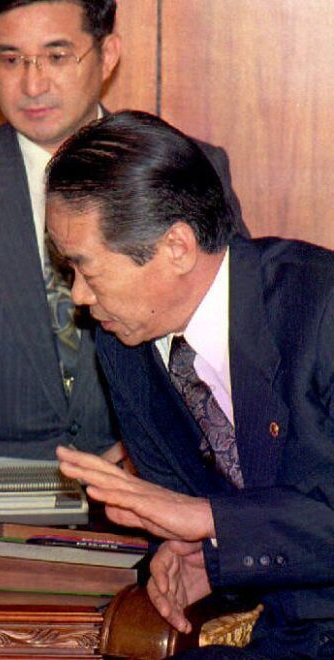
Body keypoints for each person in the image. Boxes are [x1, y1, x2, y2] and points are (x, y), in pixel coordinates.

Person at [0, 0, 245, 460]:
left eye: (57, 56)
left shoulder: (186, 169)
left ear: (107, 55)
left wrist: (161, 454)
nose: (32, 83)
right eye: (10, 59)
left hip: (145, 475)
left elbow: (231, 338)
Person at [47, 110, 334, 658]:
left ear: (176, 248)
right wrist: (188, 554)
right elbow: (179, 512)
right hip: (273, 633)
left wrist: (206, 520)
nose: (79, 296)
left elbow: (205, 511)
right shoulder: (124, 341)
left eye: (88, 269)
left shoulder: (319, 306)